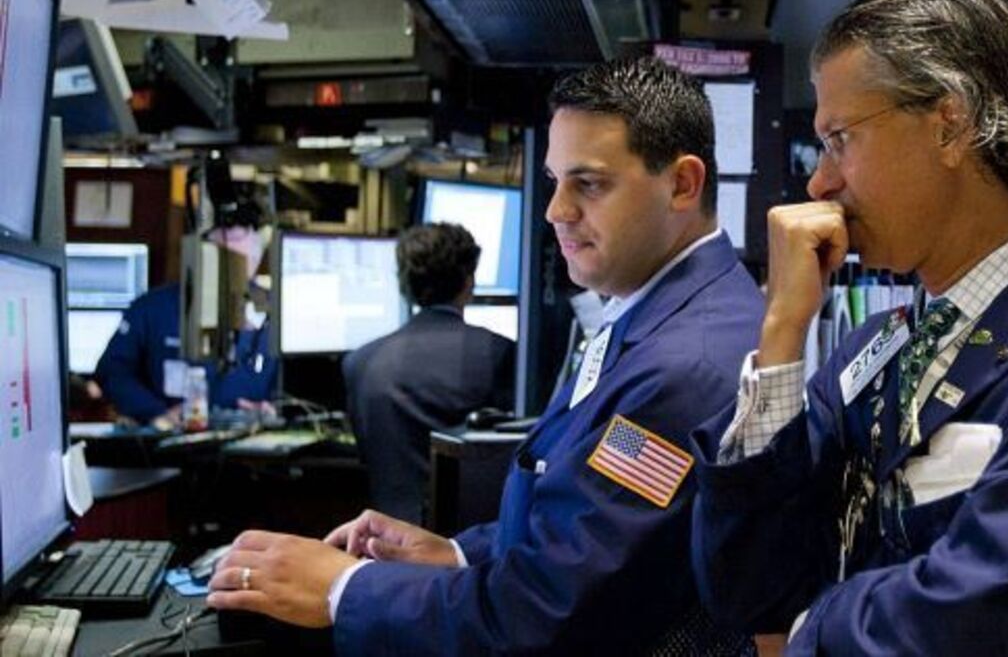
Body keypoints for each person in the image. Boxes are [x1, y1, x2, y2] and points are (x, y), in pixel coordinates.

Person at [690, 0, 1008, 655]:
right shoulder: (874, 349)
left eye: (840, 139)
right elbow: (745, 588)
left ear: (950, 124)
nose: (818, 184)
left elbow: (978, 617)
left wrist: (809, 628)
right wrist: (783, 333)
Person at [206, 56, 765, 655]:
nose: (556, 210)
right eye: (555, 180)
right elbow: (586, 529)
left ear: (682, 184)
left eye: (589, 183)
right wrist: (454, 552)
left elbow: (549, 615)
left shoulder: (684, 367)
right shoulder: (660, 312)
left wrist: (345, 589)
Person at [342, 222, 515, 524]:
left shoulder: (359, 362)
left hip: (383, 537)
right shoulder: (498, 353)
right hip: (466, 541)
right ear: (469, 281)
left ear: (404, 285)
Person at [93, 222, 277, 427]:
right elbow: (112, 371)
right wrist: (155, 413)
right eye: (221, 258)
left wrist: (273, 408)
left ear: (254, 264)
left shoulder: (275, 311)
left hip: (248, 436)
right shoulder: (152, 308)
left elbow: (293, 384)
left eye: (238, 263)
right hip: (170, 436)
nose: (228, 272)